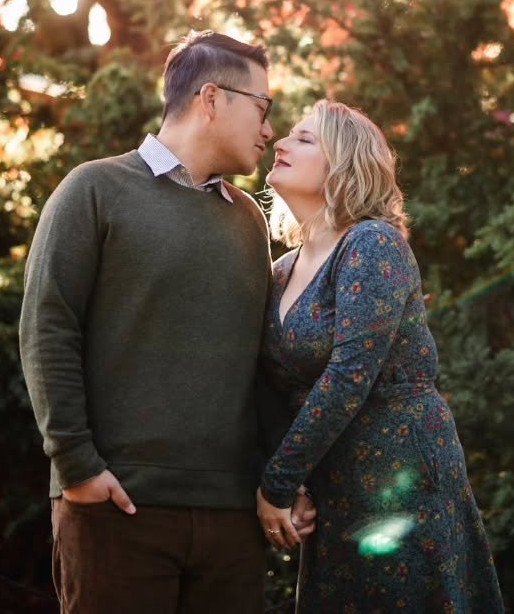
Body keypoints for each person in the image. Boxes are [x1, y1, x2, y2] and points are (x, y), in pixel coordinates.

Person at [19, 30, 313, 614]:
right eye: (262, 107)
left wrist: (282, 476)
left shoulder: (248, 220)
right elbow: (47, 328)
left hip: (231, 518)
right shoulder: (94, 189)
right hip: (117, 506)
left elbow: (261, 364)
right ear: (212, 98)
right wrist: (77, 467)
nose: (269, 130)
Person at [256, 99, 504, 612]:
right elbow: (269, 388)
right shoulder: (279, 271)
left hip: (401, 479)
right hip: (335, 487)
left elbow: (349, 375)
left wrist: (277, 482)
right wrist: (295, 482)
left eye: (304, 138)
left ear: (344, 163)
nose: (280, 142)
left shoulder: (372, 244)